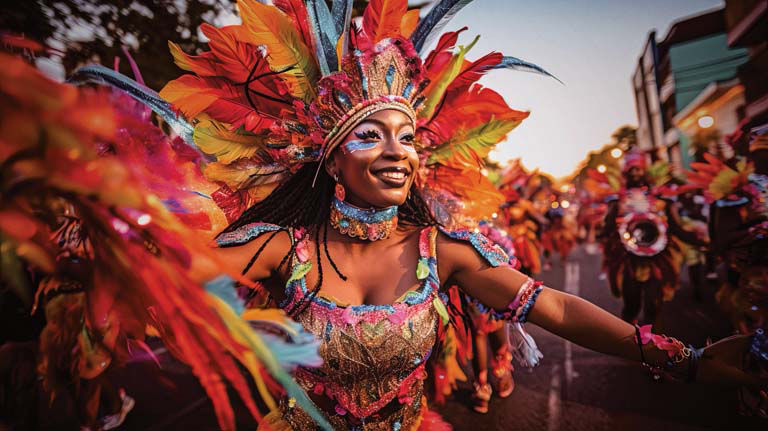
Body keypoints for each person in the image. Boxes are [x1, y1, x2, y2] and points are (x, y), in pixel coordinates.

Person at [1, 1, 765, 430]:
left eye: (408, 135)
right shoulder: (281, 249)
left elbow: (557, 305)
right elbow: (175, 274)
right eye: (371, 133)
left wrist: (681, 356)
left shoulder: (444, 251)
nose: (398, 151)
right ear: (330, 158)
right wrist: (92, 211)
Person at [599, 153, 706, 329]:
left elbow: (675, 226)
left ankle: (651, 345)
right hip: (628, 259)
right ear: (625, 173)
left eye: (638, 169)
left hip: (657, 257)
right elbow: (608, 226)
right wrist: (602, 234)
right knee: (631, 304)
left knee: (653, 305)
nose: (635, 173)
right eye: (631, 169)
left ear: (645, 171)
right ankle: (627, 340)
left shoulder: (661, 198)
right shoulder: (618, 200)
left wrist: (697, 239)